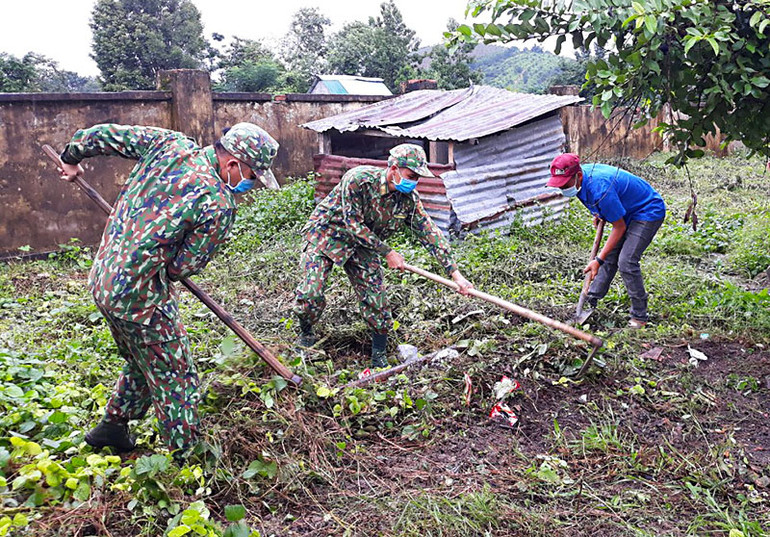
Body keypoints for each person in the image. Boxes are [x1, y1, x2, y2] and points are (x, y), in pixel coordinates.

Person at [58, 122, 279, 456]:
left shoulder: (169, 144)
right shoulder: (219, 204)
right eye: (252, 176)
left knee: (143, 356)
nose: (250, 184)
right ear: (233, 164)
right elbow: (181, 268)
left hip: (103, 280)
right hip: (140, 299)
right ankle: (186, 458)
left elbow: (102, 136)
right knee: (176, 374)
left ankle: (113, 426)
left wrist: (71, 158)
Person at [294, 144, 473, 368]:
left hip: (364, 245)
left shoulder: (408, 200)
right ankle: (306, 333)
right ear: (394, 169)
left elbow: (430, 233)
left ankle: (378, 355)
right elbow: (353, 224)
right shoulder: (358, 180)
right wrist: (388, 252)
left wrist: (456, 275)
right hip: (328, 233)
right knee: (311, 294)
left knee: (377, 301)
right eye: (411, 176)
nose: (414, 182)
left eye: (418, 177)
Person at [547, 153, 666, 328]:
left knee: (626, 261)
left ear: (578, 176)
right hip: (626, 209)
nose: (563, 188)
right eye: (559, 185)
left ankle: (639, 316)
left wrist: (598, 260)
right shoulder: (580, 181)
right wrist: (600, 213)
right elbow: (597, 202)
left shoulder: (600, 188)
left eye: (565, 184)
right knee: (609, 257)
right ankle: (590, 301)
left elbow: (619, 227)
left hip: (646, 210)